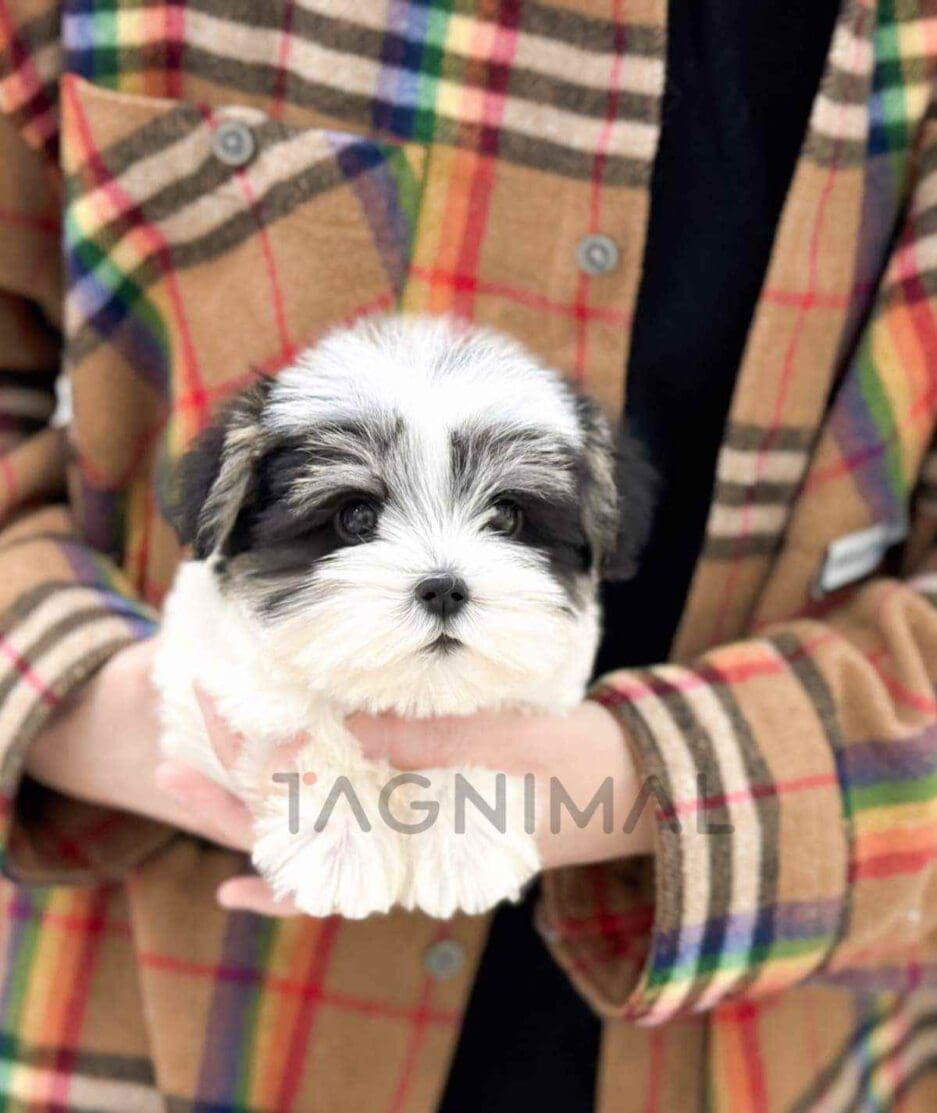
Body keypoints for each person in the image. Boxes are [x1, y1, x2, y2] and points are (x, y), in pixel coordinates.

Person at [0, 0, 936, 1109]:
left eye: (508, 521)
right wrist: (103, 702)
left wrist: (607, 787)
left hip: (777, 1039)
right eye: (356, 522)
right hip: (152, 1005)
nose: (441, 567)